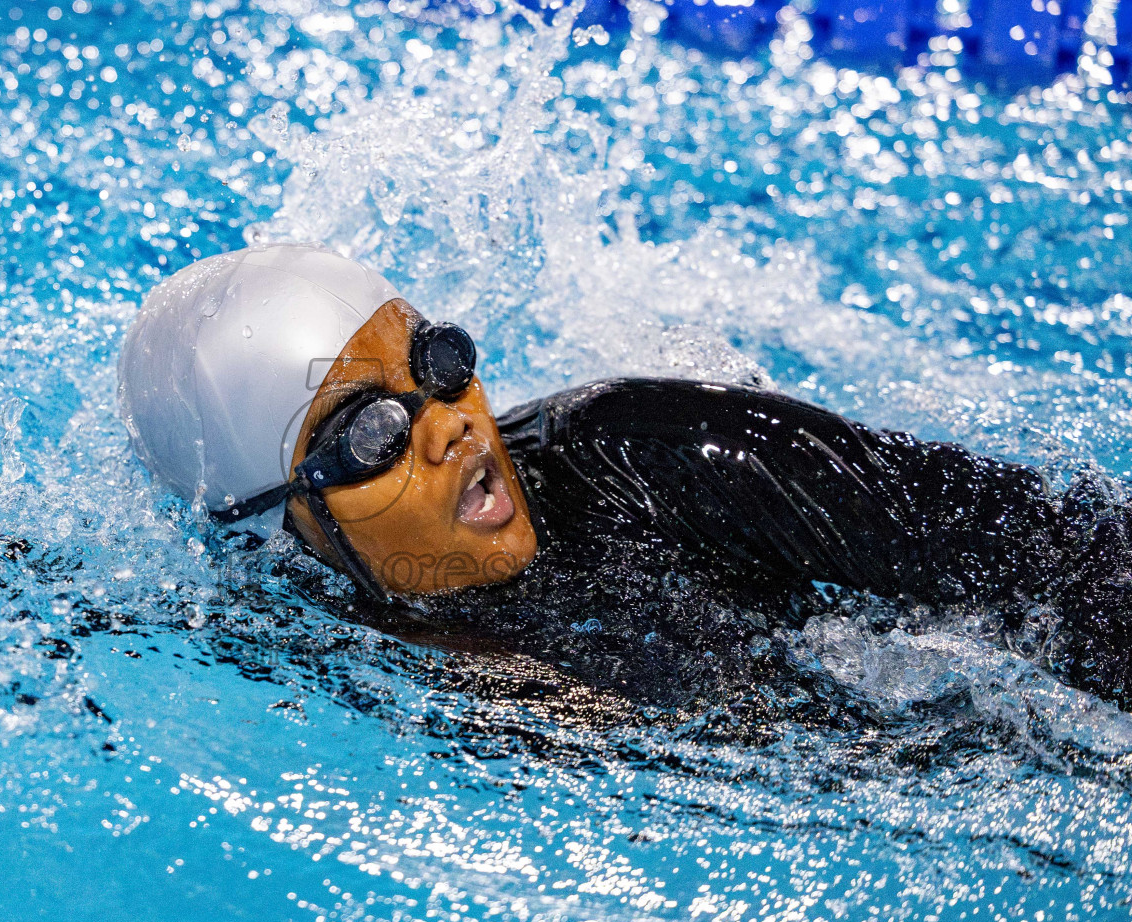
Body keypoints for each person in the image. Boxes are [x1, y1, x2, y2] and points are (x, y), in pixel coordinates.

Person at [119, 244, 1132, 703]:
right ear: (279, 528)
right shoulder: (290, 631)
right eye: (374, 434)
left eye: (438, 365)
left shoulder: (658, 457)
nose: (452, 427)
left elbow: (1053, 554)